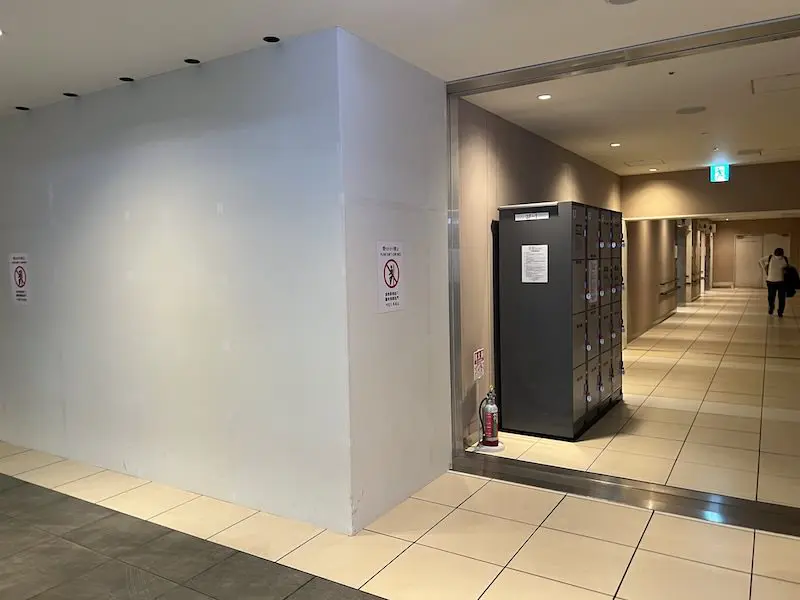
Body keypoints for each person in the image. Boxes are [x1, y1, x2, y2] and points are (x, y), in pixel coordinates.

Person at [759, 247, 789, 317]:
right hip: (777, 281)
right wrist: (765, 268)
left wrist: (765, 268)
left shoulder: (773, 257)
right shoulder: (775, 258)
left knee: (772, 297)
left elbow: (760, 260)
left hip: (774, 281)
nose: (778, 257)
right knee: (780, 298)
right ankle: (779, 311)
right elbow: (761, 260)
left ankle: (772, 309)